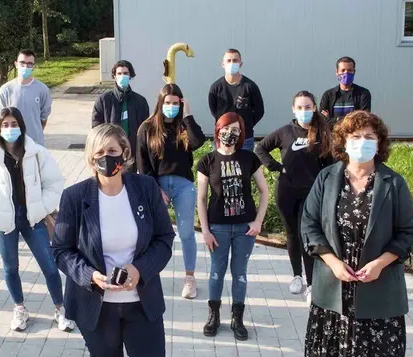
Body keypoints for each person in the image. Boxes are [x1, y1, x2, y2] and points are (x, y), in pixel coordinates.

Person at [53, 123, 180, 357]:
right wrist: (87, 275)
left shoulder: (144, 188)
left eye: (113, 152)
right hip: (98, 306)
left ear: (125, 153)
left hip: (141, 303)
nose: (107, 159)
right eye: (99, 154)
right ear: (90, 158)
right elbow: (61, 250)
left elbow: (163, 240)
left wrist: (140, 270)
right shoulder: (76, 197)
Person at [301, 111, 413, 357]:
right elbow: (309, 224)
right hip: (335, 279)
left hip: (376, 282)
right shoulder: (327, 178)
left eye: (369, 137)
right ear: (344, 141)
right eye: (355, 137)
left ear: (379, 144)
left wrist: (381, 262)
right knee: (337, 344)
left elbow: (409, 231)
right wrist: (332, 262)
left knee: (372, 348)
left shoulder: (392, 183)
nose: (362, 143)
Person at [0, 107, 70, 332]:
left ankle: (60, 308)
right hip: (4, 221)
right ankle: (20, 308)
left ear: (21, 126)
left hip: (32, 218)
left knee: (50, 266)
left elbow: (55, 181)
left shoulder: (37, 153)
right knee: (11, 268)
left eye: (14, 124)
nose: (10, 129)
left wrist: (43, 207)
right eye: (5, 125)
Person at [196, 112, 270, 340]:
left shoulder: (249, 159)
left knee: (239, 274)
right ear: (218, 130)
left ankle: (237, 318)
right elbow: (201, 198)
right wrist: (205, 230)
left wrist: (258, 221)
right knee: (217, 273)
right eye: (227, 128)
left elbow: (264, 191)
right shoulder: (207, 161)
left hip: (244, 229)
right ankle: (214, 315)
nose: (231, 133)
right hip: (217, 228)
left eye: (236, 129)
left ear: (241, 134)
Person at [255, 91, 333, 298]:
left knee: (305, 235)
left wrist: (325, 184)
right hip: (287, 191)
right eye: (299, 107)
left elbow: (331, 163)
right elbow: (260, 149)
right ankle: (296, 276)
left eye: (307, 107)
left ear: (314, 108)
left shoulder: (322, 133)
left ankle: (311, 283)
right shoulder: (284, 132)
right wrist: (277, 167)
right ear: (293, 109)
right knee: (291, 233)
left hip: (311, 192)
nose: (304, 111)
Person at [136, 83, 207, 300]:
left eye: (176, 103)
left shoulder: (183, 127)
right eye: (168, 103)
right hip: (157, 186)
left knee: (186, 234)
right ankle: (145, 274)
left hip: (183, 185)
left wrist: (188, 116)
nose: (171, 107)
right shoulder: (147, 128)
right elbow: (142, 164)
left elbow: (198, 142)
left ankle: (190, 277)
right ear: (160, 103)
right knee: (149, 233)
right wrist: (156, 189)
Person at [93, 60, 151, 172]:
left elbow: (146, 129)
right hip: (110, 150)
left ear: (130, 76)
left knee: (129, 182)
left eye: (126, 73)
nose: (122, 76)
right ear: (114, 76)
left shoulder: (140, 101)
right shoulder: (104, 100)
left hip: (133, 150)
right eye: (119, 73)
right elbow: (96, 127)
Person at [207, 48, 264, 152]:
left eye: (235, 60)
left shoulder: (250, 86)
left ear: (240, 64)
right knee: (221, 167)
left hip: (245, 139)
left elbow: (259, 111)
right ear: (222, 64)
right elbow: (214, 110)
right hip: (222, 138)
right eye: (228, 60)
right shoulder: (216, 87)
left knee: (245, 167)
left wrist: (245, 124)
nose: (232, 63)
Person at [0, 49, 52, 145]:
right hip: (12, 144)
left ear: (33, 67)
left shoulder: (43, 90)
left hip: (36, 143)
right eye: (22, 63)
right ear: (16, 64)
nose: (25, 66)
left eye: (29, 64)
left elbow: (44, 118)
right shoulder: (5, 90)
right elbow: (2, 120)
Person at [319, 56, 372, 124]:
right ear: (337, 72)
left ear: (354, 72)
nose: (346, 73)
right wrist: (353, 118)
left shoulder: (363, 94)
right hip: (332, 134)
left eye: (349, 70)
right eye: (343, 70)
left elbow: (363, 120)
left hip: (353, 134)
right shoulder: (328, 95)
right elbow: (323, 121)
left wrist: (334, 119)